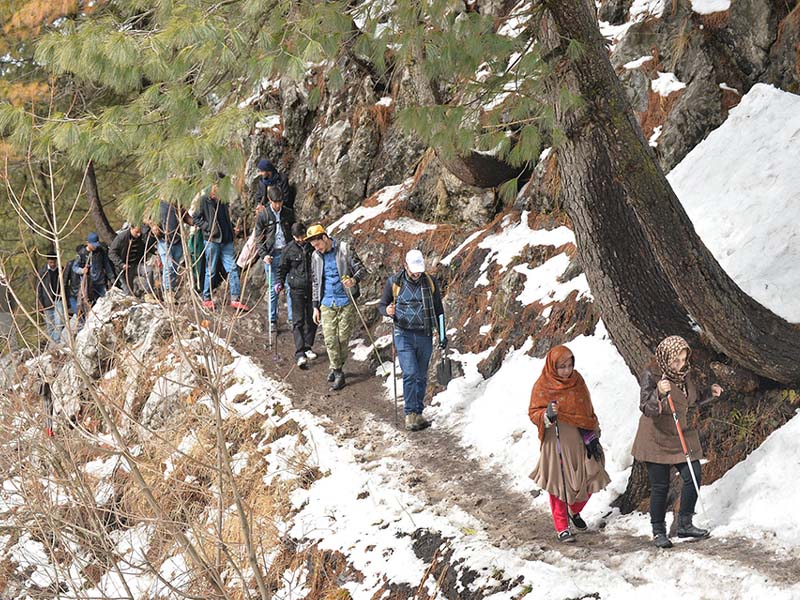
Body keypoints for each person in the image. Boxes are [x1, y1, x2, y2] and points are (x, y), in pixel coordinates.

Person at [632, 335, 723, 548]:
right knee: (660, 486)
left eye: (683, 359)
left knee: (693, 474)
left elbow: (691, 399)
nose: (681, 365)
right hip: (655, 436)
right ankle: (658, 531)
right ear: (666, 357)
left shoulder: (684, 374)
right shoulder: (651, 374)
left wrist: (709, 392)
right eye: (676, 360)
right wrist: (659, 393)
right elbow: (646, 407)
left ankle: (685, 523)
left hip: (679, 433)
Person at [528, 345, 610, 543]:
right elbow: (533, 412)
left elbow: (586, 407)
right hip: (555, 440)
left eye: (569, 365)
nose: (566, 371)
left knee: (592, 475)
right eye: (561, 366)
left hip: (581, 439)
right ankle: (562, 526)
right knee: (559, 484)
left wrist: (593, 429)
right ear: (552, 366)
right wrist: (547, 414)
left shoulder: (577, 380)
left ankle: (574, 510)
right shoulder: (543, 385)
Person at [378, 249, 446, 431]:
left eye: (419, 269)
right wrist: (387, 311)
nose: (417, 273)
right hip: (403, 333)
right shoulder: (394, 282)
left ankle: (418, 412)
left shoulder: (430, 282)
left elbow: (439, 310)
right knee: (410, 373)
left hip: (425, 334)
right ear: (405, 265)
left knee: (422, 375)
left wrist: (442, 335)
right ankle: (410, 414)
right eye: (413, 269)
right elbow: (382, 305)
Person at [307, 224, 367, 391]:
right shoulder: (315, 256)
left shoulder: (344, 249)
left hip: (346, 300)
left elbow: (362, 270)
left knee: (342, 339)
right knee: (330, 340)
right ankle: (338, 372)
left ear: (325, 238)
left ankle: (335, 365)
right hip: (326, 302)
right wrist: (315, 306)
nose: (317, 248)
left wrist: (353, 280)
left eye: (318, 244)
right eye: (314, 246)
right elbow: (315, 282)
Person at [192, 182, 249, 311]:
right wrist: (208, 228)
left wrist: (232, 229)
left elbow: (225, 218)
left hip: (226, 239)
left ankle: (235, 299)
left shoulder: (223, 200)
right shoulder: (204, 200)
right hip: (212, 240)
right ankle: (206, 298)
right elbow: (195, 218)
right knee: (210, 270)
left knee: (233, 268)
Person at [276, 222, 317, 368]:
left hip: (312, 288)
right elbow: (282, 269)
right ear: (293, 237)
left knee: (313, 318)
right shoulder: (288, 250)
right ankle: (299, 352)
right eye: (298, 237)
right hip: (296, 290)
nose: (302, 239)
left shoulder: (312, 246)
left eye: (303, 236)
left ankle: (308, 346)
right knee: (298, 320)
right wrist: (279, 282)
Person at [254, 185, 295, 327]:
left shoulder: (288, 213)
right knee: (273, 288)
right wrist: (264, 255)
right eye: (275, 202)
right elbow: (258, 239)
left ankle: (291, 318)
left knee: (290, 285)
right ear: (270, 200)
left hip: (287, 253)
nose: (278, 205)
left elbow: (294, 233)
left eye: (280, 202)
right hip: (272, 255)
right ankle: (272, 320)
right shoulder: (263, 216)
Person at [155, 200, 192, 301]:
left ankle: (172, 290)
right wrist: (153, 226)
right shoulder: (157, 204)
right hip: (164, 241)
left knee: (175, 267)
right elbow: (146, 218)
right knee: (169, 267)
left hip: (177, 240)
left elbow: (187, 218)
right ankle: (167, 292)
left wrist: (197, 222)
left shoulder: (178, 205)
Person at [109, 224, 155, 297]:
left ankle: (148, 294)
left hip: (136, 265)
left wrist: (155, 252)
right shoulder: (121, 238)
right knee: (129, 293)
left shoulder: (141, 237)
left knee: (149, 271)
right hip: (124, 268)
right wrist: (121, 264)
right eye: (136, 232)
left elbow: (147, 246)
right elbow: (111, 253)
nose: (139, 234)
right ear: (131, 228)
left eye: (140, 232)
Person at [73, 233, 115, 305]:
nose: (95, 247)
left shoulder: (101, 251)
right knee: (89, 303)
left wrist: (111, 277)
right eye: (93, 245)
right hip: (89, 284)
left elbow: (106, 265)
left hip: (100, 282)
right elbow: (75, 267)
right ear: (87, 243)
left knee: (104, 302)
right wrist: (82, 270)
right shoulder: (82, 254)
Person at [37, 253, 64, 344]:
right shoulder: (42, 272)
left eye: (53, 262)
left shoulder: (61, 270)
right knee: (50, 324)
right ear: (48, 261)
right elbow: (38, 288)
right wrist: (40, 303)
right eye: (50, 262)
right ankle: (52, 342)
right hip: (46, 301)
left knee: (59, 321)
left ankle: (57, 341)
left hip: (58, 299)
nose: (52, 264)